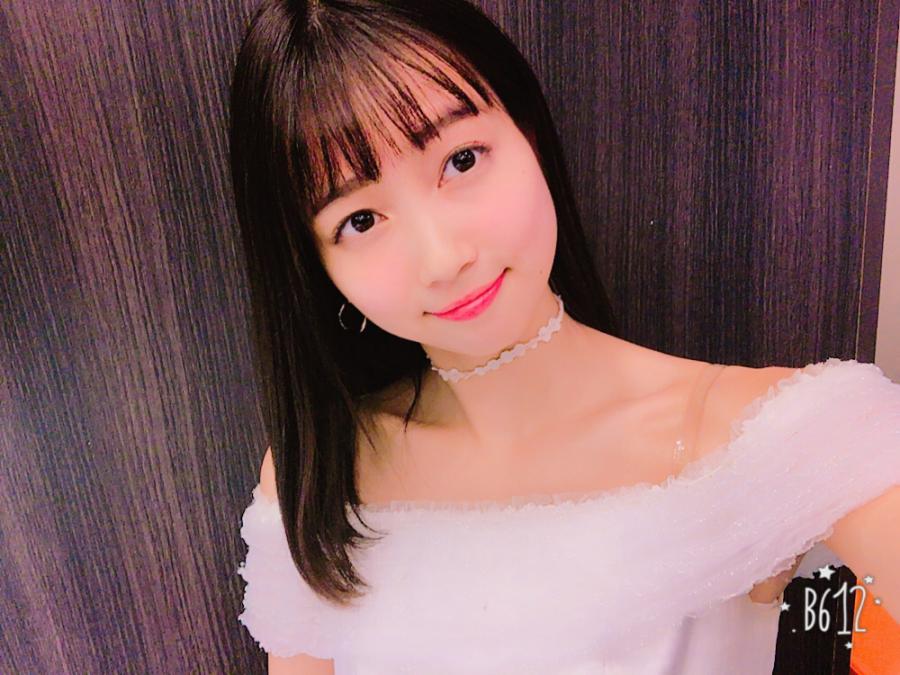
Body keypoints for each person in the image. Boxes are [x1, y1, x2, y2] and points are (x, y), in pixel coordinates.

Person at [229, 1, 900, 672]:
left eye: (461, 160)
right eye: (360, 220)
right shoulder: (321, 477)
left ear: (530, 133)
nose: (443, 258)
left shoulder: (772, 434)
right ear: (317, 266)